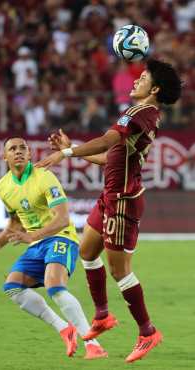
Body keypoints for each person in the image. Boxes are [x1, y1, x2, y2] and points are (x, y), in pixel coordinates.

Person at [35, 59, 182, 363]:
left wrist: (66, 153)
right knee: (87, 252)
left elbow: (106, 140)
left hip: (123, 201)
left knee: (120, 271)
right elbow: (110, 156)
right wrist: (72, 147)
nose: (135, 81)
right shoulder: (145, 114)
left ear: (154, 89)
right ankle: (102, 315)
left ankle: (147, 332)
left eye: (142, 78)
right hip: (109, 196)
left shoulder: (140, 113)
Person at [0, 137, 107, 360]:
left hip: (60, 237)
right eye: (12, 149)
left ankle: (93, 344)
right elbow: (15, 223)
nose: (18, 152)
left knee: (53, 285)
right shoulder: (3, 186)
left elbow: (63, 218)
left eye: (23, 148)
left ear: (29, 154)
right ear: (4, 156)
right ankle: (65, 329)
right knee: (13, 287)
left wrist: (31, 236)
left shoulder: (44, 177)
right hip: (36, 243)